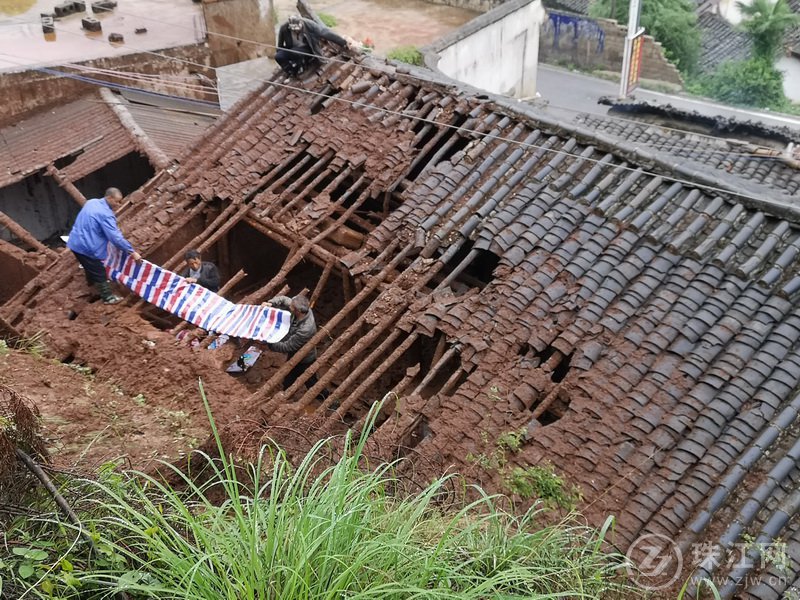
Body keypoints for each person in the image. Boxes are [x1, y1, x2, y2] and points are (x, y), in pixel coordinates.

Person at [67, 187, 141, 304]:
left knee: (88, 265)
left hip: (74, 242)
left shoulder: (92, 202)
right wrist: (132, 251)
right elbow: (115, 237)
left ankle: (91, 284)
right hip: (88, 247)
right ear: (109, 198)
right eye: (116, 201)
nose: (118, 204)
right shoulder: (105, 214)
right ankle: (107, 297)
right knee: (99, 271)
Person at [259, 294, 329, 400]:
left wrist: (269, 342)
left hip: (304, 358)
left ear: (297, 311)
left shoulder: (306, 329)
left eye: (291, 307)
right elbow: (283, 299)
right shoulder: (299, 309)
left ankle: (324, 397)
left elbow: (287, 347)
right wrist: (270, 303)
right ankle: (286, 391)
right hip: (295, 353)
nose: (289, 306)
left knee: (309, 380)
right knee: (291, 374)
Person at [275, 14, 360, 77]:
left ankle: (301, 66)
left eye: (297, 29)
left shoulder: (309, 25)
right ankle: (291, 71)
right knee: (278, 56)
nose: (296, 31)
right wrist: (283, 57)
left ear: (301, 23)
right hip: (292, 48)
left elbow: (325, 33)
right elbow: (280, 45)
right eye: (294, 30)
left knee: (295, 52)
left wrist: (343, 43)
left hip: (307, 48)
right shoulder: (284, 28)